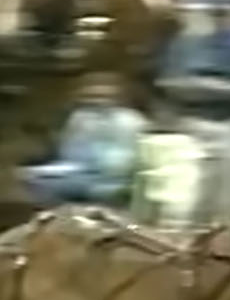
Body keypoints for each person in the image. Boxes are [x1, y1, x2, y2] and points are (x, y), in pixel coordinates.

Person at [156, 0, 230, 223]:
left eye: (227, 12)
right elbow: (169, 83)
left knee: (226, 204)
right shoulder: (186, 44)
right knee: (183, 203)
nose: (220, 18)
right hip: (189, 124)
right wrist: (219, 86)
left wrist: (199, 85)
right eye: (216, 12)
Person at [21, 71, 148, 207]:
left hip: (114, 179)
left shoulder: (131, 121)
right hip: (78, 172)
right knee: (31, 179)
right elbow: (69, 155)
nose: (97, 101)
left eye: (102, 96)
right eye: (91, 96)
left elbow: (122, 164)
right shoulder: (80, 117)